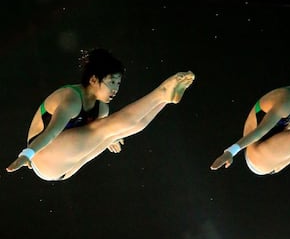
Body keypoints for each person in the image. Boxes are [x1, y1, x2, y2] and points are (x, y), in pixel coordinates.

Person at [6, 48, 194, 181]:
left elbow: (107, 131)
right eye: (112, 82)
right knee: (108, 128)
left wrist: (112, 137)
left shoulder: (101, 108)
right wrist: (27, 155)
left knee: (124, 129)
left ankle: (164, 100)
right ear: (94, 79)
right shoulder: (71, 99)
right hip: (43, 156)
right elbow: (52, 133)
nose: (115, 90)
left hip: (67, 170)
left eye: (118, 84)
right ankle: (161, 92)